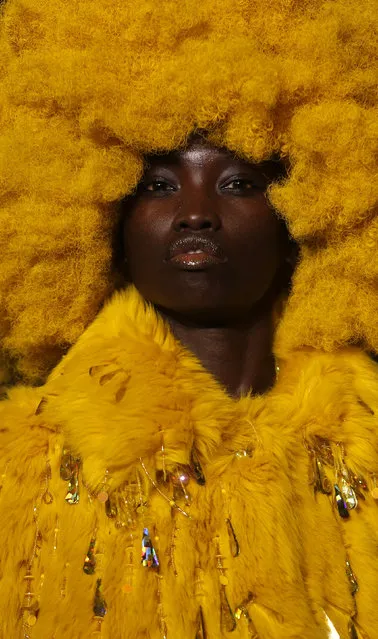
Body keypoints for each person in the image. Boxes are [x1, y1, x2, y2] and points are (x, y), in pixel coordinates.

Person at [0, 1, 377, 638]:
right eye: (157, 185)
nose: (195, 213)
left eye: (238, 184)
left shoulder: (365, 447)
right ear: (103, 221)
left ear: (305, 213)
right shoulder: (27, 469)